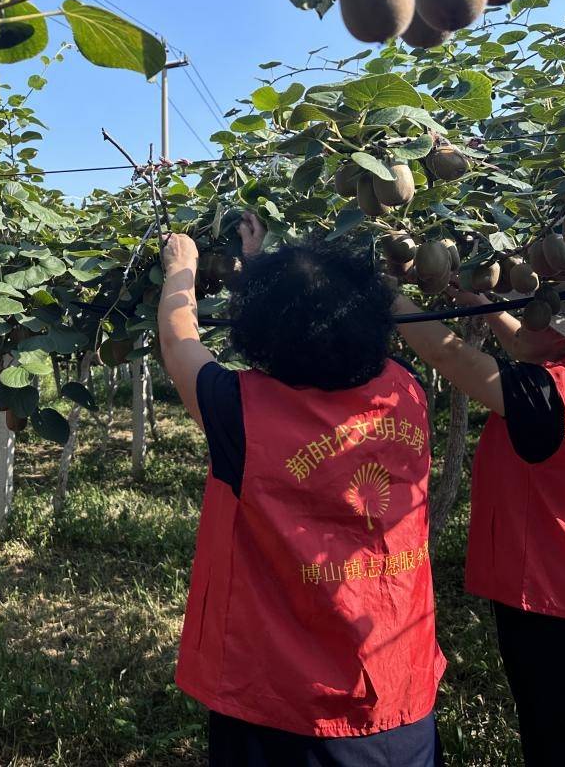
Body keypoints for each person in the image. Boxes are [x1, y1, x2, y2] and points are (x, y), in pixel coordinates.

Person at [158, 214, 445, 767]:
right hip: (397, 687)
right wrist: (270, 267)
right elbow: (325, 325)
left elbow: (179, 341)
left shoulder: (242, 412)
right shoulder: (406, 391)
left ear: (262, 334)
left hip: (282, 705)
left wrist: (181, 270)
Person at [394, 278, 565, 767]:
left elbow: (449, 358)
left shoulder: (543, 392)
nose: (520, 319)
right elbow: (520, 340)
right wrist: (477, 300)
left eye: (530, 312)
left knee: (563, 738)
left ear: (559, 336)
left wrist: (391, 300)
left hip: (556, 599)